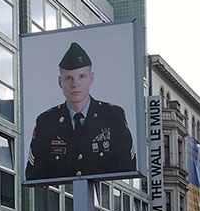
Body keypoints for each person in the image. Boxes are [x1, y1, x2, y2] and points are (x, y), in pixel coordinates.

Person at [25, 42, 135, 181]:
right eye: (69, 78)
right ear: (60, 82)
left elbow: (128, 170)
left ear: (91, 78)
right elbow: (34, 176)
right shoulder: (46, 122)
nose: (75, 84)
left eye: (81, 76)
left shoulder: (113, 117)